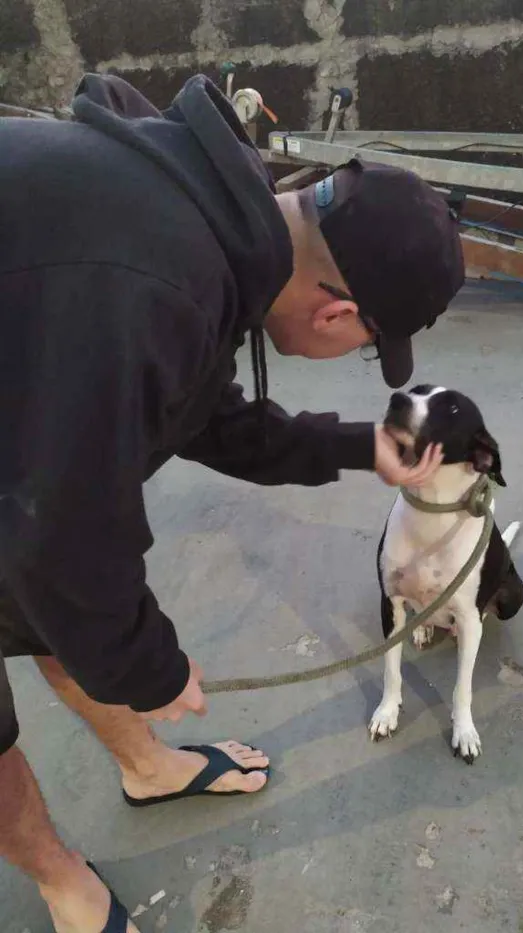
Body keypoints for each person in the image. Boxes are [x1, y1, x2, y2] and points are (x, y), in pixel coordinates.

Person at [0, 72, 465, 932]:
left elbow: (196, 410)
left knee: (46, 615)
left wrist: (354, 445)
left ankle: (146, 768)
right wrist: (152, 668)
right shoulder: (155, 284)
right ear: (338, 313)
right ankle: (63, 879)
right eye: (370, 348)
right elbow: (56, 540)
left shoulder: (207, 219)